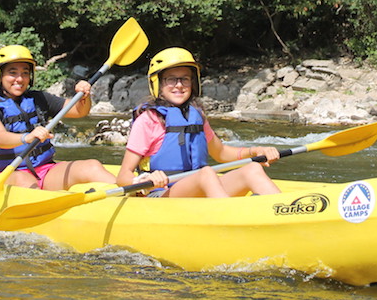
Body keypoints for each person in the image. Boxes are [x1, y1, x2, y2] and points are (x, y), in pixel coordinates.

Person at [118, 47, 281, 197]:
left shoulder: (196, 116)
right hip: (161, 194)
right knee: (206, 174)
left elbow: (221, 152)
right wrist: (144, 179)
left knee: (252, 169)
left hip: (196, 187)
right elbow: (123, 176)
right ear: (158, 83)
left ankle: (284, 212)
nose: (179, 85)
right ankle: (230, 218)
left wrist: (255, 151)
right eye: (171, 79)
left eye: (185, 79)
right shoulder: (148, 120)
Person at [0, 45, 116, 190]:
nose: (20, 79)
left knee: (92, 166)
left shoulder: (38, 98)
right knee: (25, 182)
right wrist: (26, 137)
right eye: (13, 73)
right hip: (11, 173)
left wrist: (84, 96)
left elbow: (78, 111)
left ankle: (131, 196)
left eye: (25, 73)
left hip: (46, 170)